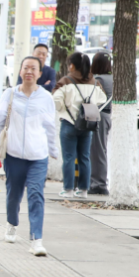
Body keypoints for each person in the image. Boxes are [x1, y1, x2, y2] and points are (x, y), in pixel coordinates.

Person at [0, 57, 59, 256]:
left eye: (33, 68)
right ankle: (12, 223)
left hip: (38, 156)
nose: (29, 71)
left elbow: (50, 127)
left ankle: (36, 239)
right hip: (14, 154)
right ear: (20, 71)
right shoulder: (10, 94)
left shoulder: (46, 97)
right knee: (14, 194)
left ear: (39, 73)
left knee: (36, 194)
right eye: (26, 67)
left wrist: (53, 150)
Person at [54, 52, 107, 199]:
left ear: (72, 65)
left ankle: (68, 189)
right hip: (87, 124)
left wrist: (63, 109)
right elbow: (102, 98)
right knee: (85, 157)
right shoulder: (94, 82)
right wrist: (91, 105)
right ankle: (83, 190)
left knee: (69, 157)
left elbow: (56, 99)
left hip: (69, 123)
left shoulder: (66, 81)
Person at [89, 52, 114, 195]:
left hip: (99, 116)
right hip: (109, 115)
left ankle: (99, 184)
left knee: (97, 151)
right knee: (101, 149)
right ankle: (99, 182)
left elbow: (92, 100)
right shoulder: (114, 78)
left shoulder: (99, 79)